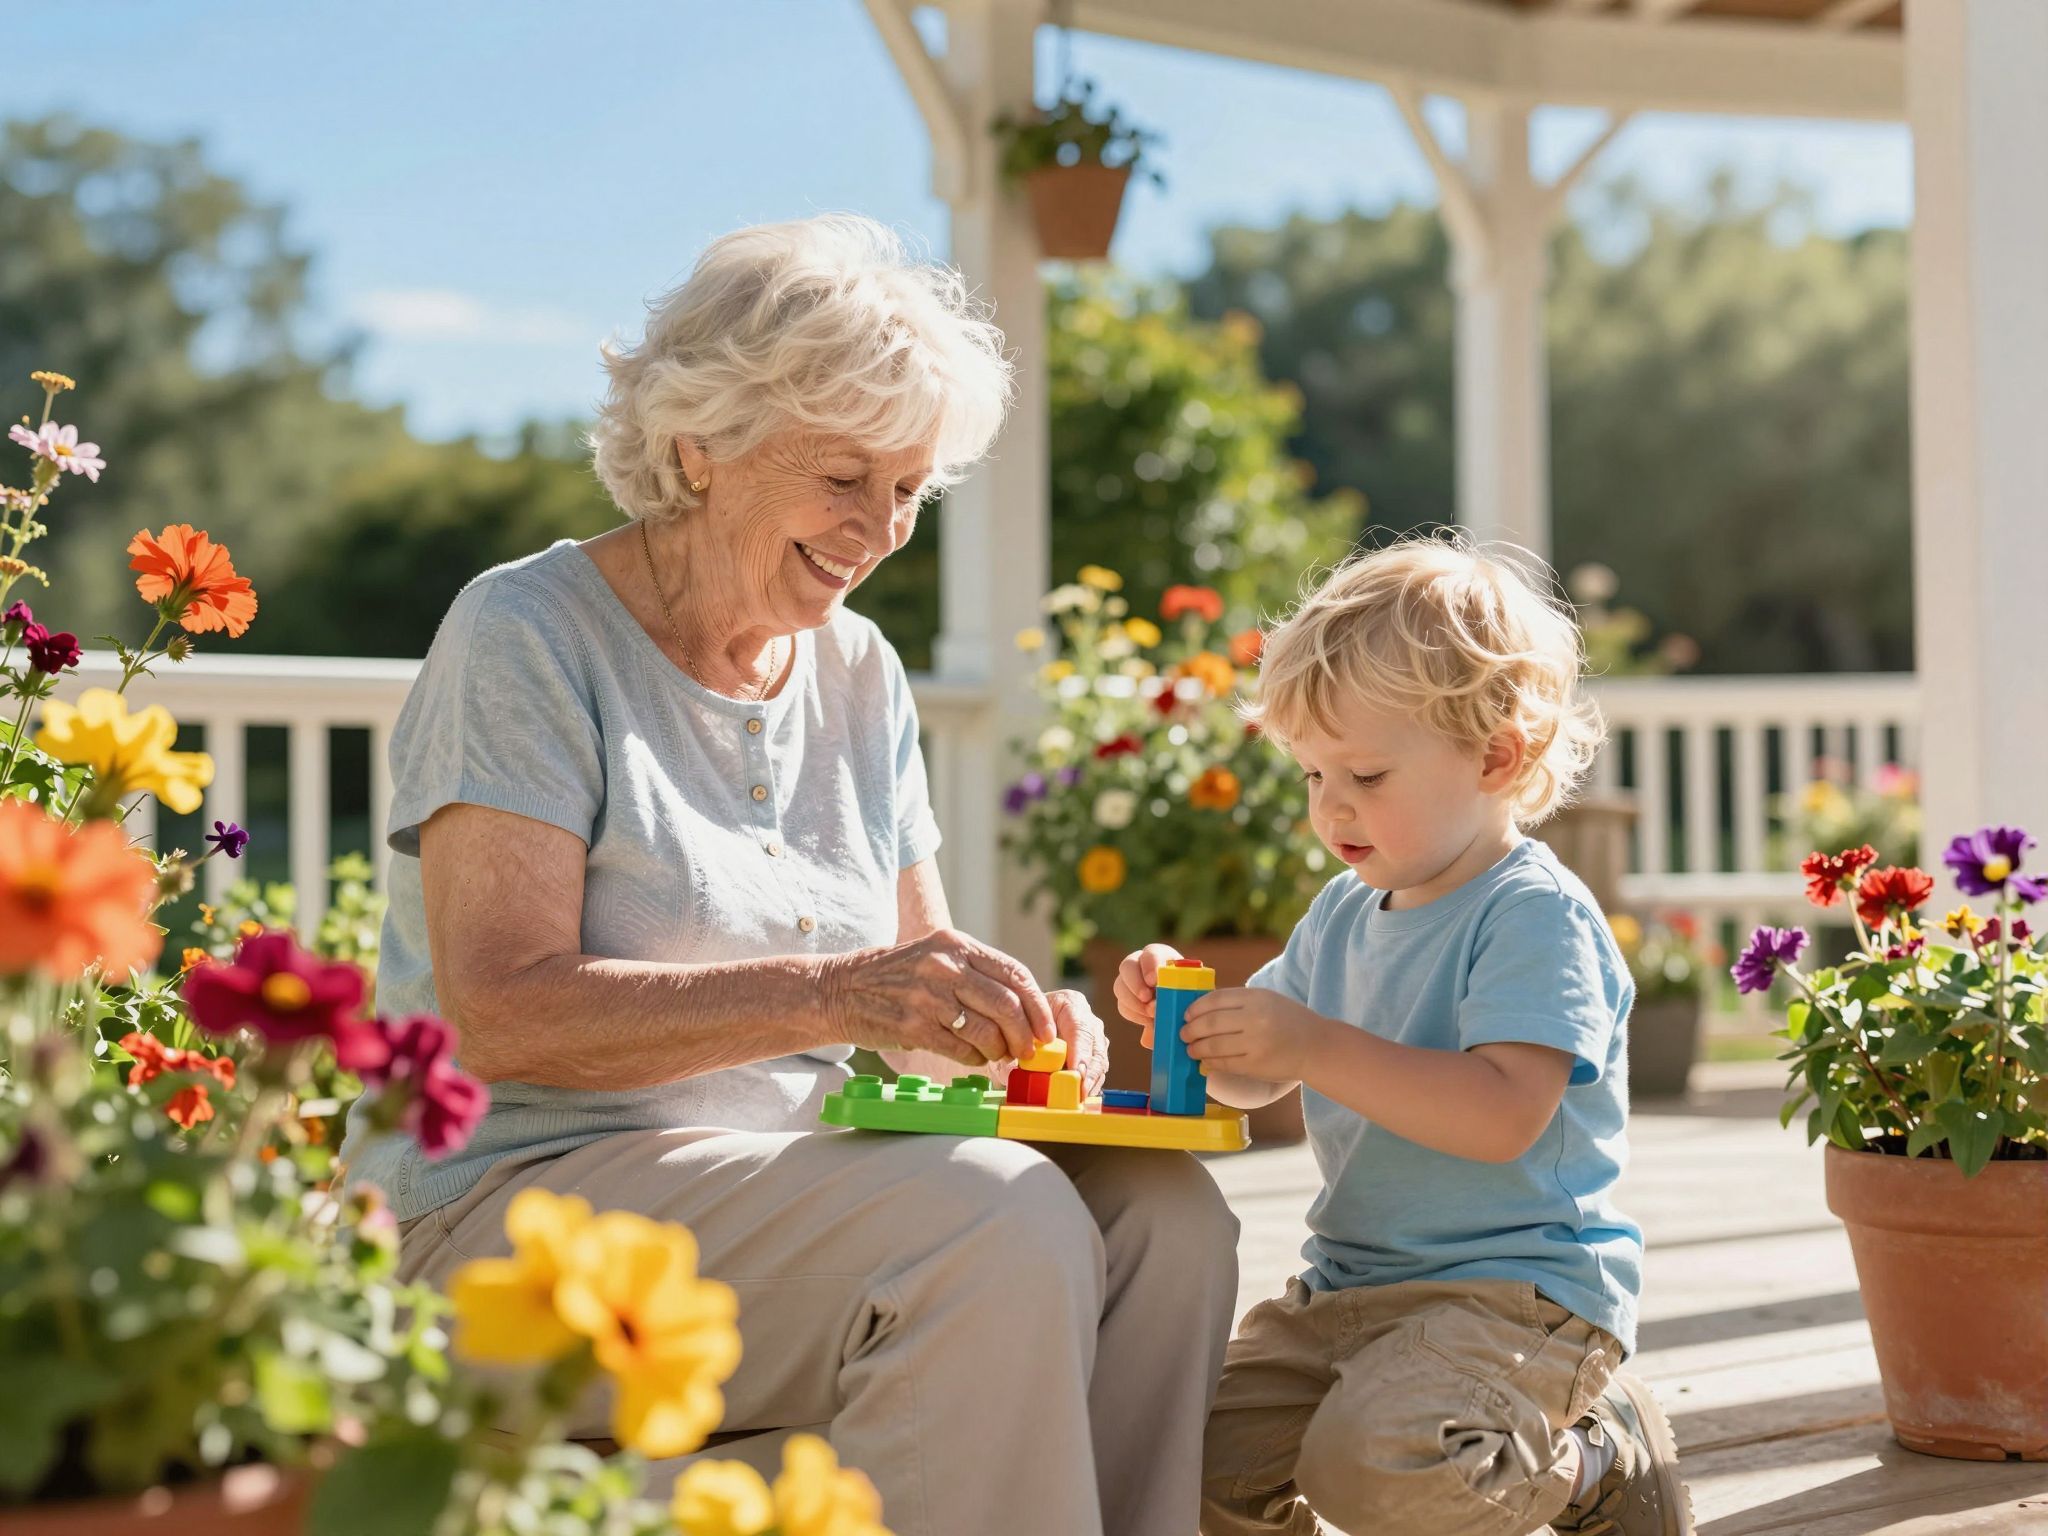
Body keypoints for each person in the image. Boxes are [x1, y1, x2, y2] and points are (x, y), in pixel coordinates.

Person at [338, 213, 1239, 1536]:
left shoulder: (863, 671)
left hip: (797, 1186)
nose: (882, 529)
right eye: (845, 479)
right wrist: (837, 993)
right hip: (516, 1215)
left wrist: (1010, 1027)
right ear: (700, 445)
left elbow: (914, 1004)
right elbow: (501, 1010)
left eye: (912, 489)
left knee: (1165, 1219)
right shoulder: (526, 633)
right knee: (983, 1226)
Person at [1117, 535, 1692, 1536]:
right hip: (1345, 1290)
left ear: (1494, 756)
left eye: (1366, 774)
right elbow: (1254, 1081)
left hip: (1518, 1301)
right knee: (1188, 1462)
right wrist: (1201, 1026)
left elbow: (1503, 1115)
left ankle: (1595, 1454)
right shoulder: (1341, 912)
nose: (1329, 806)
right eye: (1309, 774)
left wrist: (1312, 1049)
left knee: (1380, 1468)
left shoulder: (1530, 916)